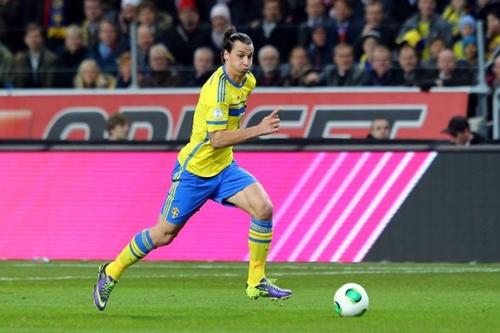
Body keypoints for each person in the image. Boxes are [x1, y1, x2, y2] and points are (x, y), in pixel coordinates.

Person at [93, 26, 292, 311]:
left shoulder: (248, 81)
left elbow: (225, 139)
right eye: (240, 56)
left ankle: (256, 282)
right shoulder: (216, 90)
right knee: (163, 235)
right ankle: (111, 272)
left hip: (224, 169)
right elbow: (217, 138)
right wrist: (258, 130)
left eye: (250, 56)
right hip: (195, 171)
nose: (247, 62)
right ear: (225, 56)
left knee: (264, 208)